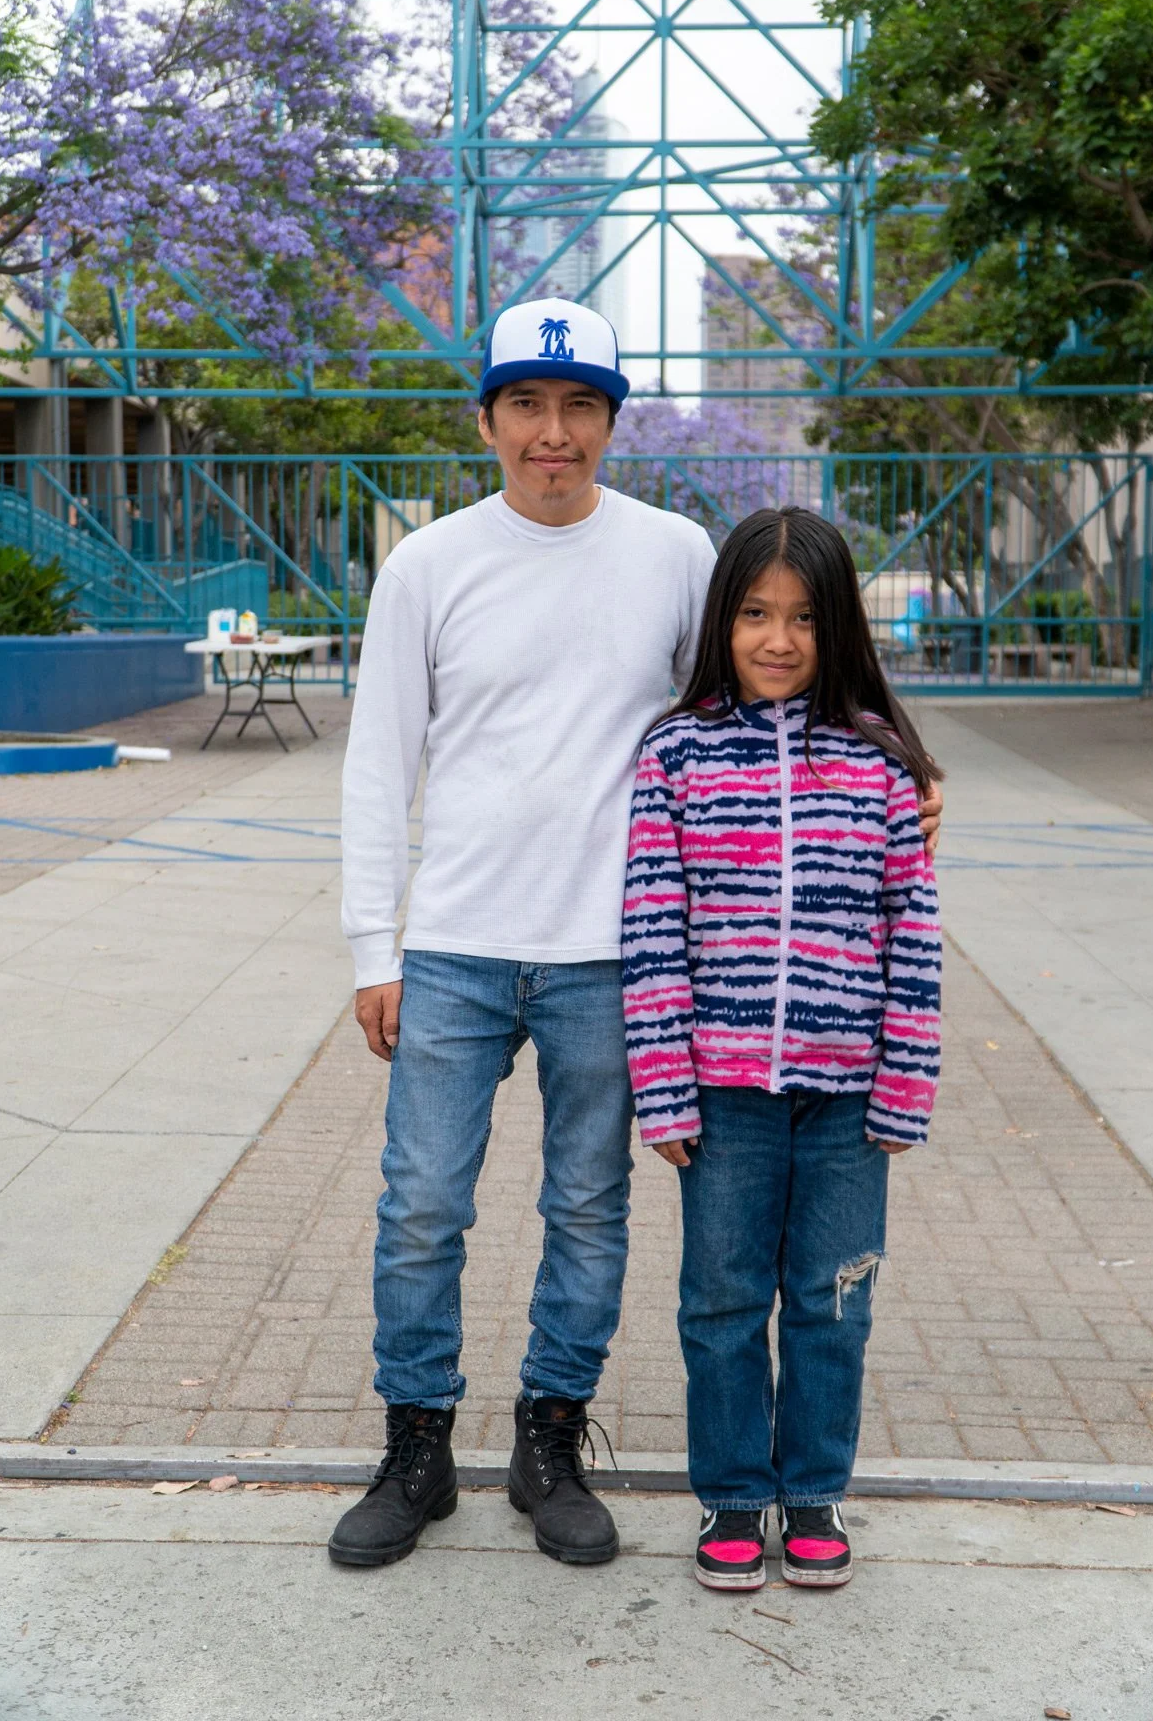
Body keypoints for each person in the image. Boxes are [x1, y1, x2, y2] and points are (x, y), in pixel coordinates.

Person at [330, 297, 944, 1574]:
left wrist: (904, 766)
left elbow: (762, 685)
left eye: (580, 410)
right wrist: (370, 948)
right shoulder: (430, 563)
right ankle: (416, 1443)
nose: (553, 436)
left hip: (614, 949)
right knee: (422, 1204)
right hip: (454, 942)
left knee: (589, 1210)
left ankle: (549, 1441)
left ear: (612, 420)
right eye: (527, 408)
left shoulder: (672, 552)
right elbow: (378, 761)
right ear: (489, 418)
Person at [620, 506, 943, 1594]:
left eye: (805, 617)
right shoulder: (674, 755)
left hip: (850, 1101)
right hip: (721, 1098)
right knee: (719, 1301)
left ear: (837, 626)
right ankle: (732, 1496)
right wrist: (662, 1091)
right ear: (724, 620)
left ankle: (812, 1494)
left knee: (831, 1299)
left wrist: (905, 1087)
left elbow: (914, 940)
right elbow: (652, 933)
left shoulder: (881, 764)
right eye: (756, 613)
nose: (778, 639)